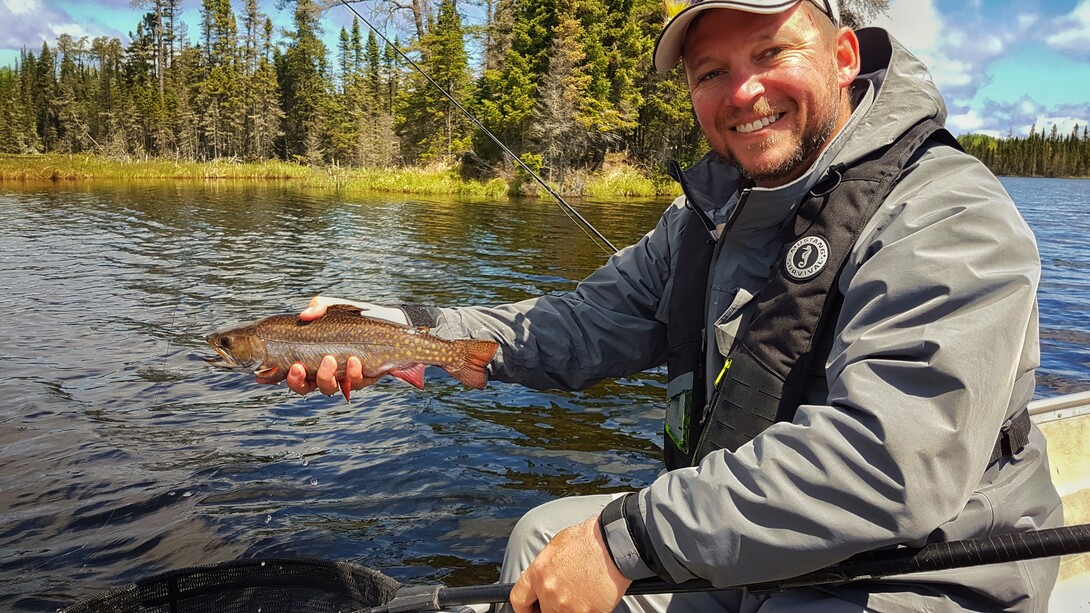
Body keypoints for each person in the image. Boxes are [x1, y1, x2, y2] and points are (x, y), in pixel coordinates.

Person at [267, 1, 1062, 611]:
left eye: (769, 51)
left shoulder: (949, 214)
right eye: (710, 72)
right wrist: (397, 332)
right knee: (540, 535)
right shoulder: (702, 222)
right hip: (757, 551)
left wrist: (625, 540)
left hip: (916, 572)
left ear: (844, 55)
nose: (742, 92)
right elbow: (572, 326)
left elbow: (888, 463)